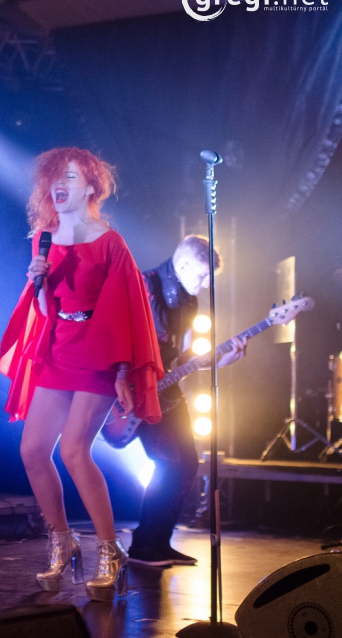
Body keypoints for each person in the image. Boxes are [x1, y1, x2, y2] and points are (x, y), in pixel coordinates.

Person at [0, 147, 164, 602]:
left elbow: (128, 311)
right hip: (58, 349)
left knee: (73, 450)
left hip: (99, 353)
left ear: (91, 186)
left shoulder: (110, 242)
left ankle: (110, 551)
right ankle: (61, 540)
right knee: (32, 450)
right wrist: (37, 282)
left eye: (69, 176)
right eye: (54, 177)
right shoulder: (43, 238)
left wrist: (123, 372)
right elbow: (45, 308)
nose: (59, 184)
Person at [127, 235, 246, 567]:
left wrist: (221, 360)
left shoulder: (189, 302)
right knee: (169, 462)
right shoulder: (144, 286)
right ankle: (142, 546)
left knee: (188, 464)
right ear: (182, 264)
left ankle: (158, 542)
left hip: (167, 389)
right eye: (202, 275)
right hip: (136, 388)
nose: (206, 284)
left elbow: (184, 358)